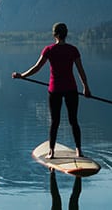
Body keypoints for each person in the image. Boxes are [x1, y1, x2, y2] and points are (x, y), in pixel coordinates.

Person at [13, 22, 91, 158]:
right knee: (74, 121)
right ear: (66, 34)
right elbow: (80, 71)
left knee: (55, 121)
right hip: (71, 89)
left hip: (55, 90)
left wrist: (22, 76)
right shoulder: (73, 50)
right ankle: (79, 150)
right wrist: (86, 88)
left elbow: (36, 68)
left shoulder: (49, 50)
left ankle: (51, 151)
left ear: (54, 34)